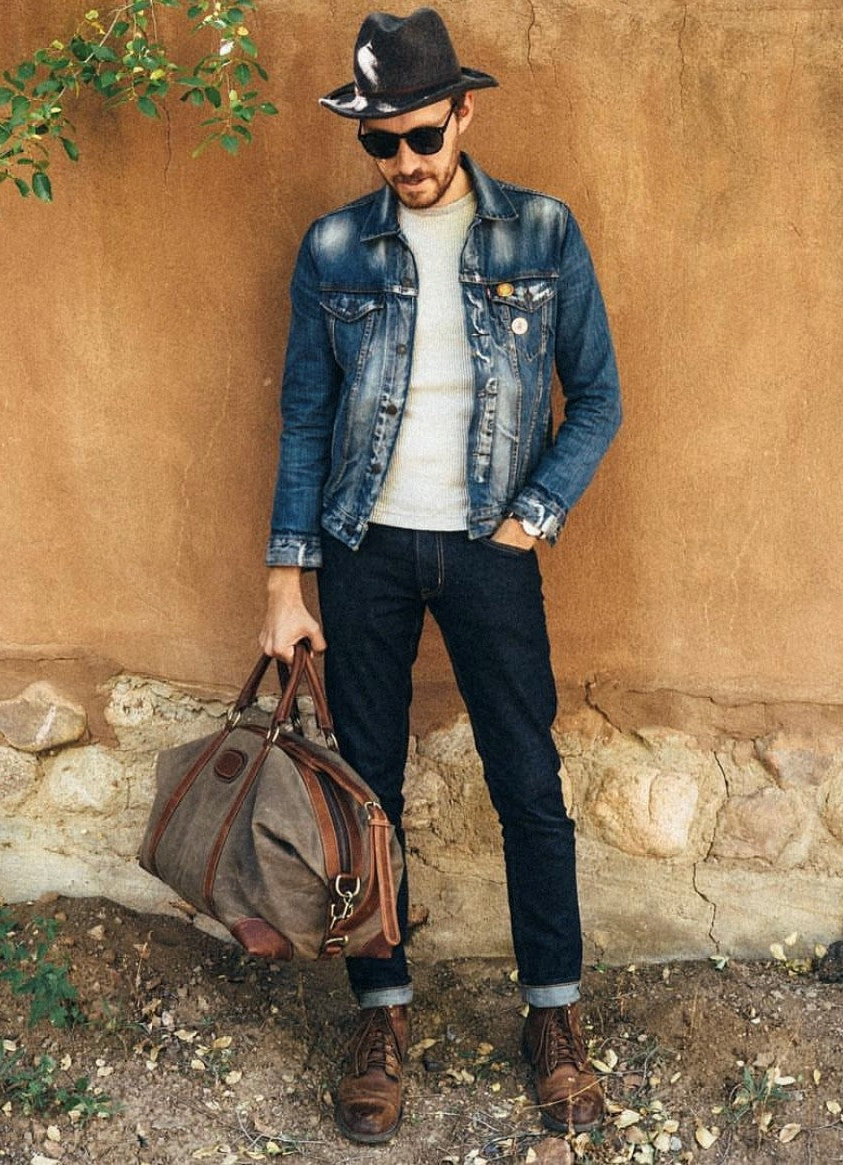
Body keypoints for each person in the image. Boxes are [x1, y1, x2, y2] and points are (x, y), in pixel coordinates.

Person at [259, 6, 621, 1144]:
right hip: (364, 548)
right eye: (382, 142)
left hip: (487, 549)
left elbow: (597, 398)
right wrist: (285, 581)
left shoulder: (542, 233)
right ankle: (381, 1015)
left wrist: (528, 522)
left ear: (463, 113)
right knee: (368, 793)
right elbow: (305, 422)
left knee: (529, 781)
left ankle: (553, 1016)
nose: (406, 161)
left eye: (422, 135)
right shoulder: (333, 250)